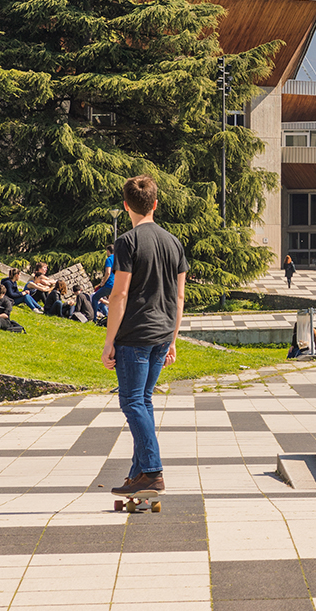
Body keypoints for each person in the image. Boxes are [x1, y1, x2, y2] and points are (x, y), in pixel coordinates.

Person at [103, 173, 189, 500]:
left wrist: (110, 341)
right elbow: (180, 298)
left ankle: (152, 471)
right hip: (162, 334)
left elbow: (119, 295)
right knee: (145, 400)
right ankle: (136, 474)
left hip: (136, 334)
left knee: (132, 401)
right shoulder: (174, 242)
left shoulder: (127, 241)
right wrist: (173, 340)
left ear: (126, 206)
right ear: (155, 204)